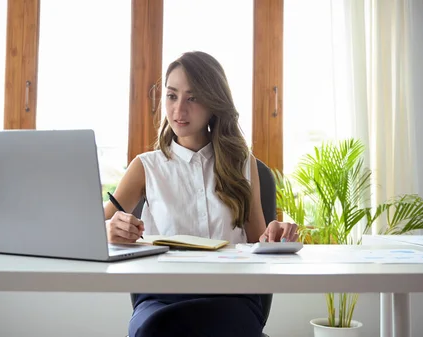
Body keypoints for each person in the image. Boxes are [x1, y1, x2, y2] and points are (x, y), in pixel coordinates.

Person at [104, 51, 299, 337]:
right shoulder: (146, 166)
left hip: (231, 297)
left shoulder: (242, 163)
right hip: (159, 298)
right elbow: (92, 231)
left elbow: (259, 239)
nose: (178, 110)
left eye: (192, 98)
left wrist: (275, 234)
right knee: (156, 328)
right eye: (172, 96)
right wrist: (110, 228)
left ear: (213, 103)